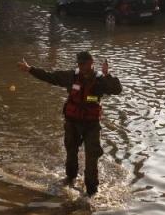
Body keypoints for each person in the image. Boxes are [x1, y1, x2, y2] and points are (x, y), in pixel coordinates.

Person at [17, 52, 123, 196]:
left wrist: (107, 74)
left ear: (91, 62)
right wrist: (30, 69)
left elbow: (117, 89)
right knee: (71, 155)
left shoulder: (100, 80)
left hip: (91, 125)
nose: (81, 66)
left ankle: (91, 193)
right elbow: (50, 77)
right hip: (72, 123)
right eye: (79, 63)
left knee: (92, 158)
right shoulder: (71, 76)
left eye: (84, 63)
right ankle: (70, 180)